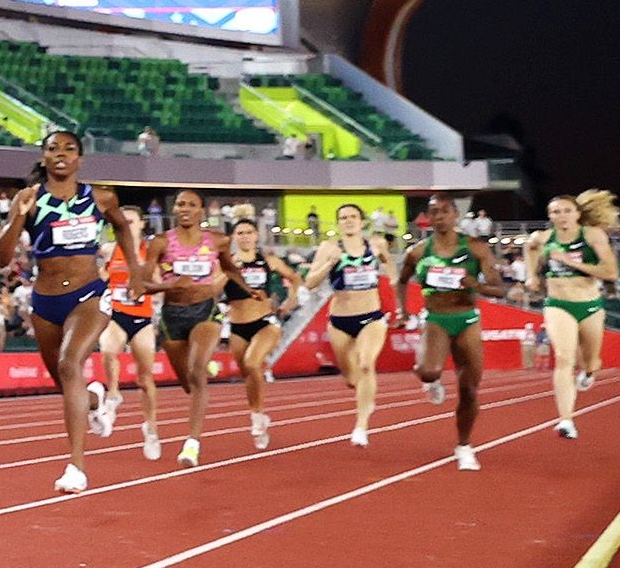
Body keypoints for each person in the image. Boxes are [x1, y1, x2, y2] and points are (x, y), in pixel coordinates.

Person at [0, 129, 123, 494]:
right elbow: (1, 259)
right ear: (44, 157)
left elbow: (124, 229)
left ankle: (76, 468)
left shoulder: (101, 197)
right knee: (67, 384)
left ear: (80, 158)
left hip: (89, 294)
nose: (61, 154)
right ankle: (95, 398)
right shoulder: (29, 198)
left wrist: (137, 273)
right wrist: (18, 218)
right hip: (46, 301)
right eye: (53, 148)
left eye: (69, 148)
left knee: (69, 364)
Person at [400, 194, 505, 470]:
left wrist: (476, 286)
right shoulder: (418, 252)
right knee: (427, 371)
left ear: (456, 215)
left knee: (469, 389)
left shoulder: (475, 247)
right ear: (428, 217)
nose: (439, 217)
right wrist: (403, 311)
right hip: (436, 318)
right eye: (434, 212)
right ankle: (432, 382)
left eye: (445, 211)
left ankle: (464, 446)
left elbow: (499, 289)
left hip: (467, 319)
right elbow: (402, 280)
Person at [133, 189, 228, 469]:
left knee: (197, 374)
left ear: (201, 211)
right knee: (188, 383)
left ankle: (192, 444)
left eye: (191, 204)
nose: (184, 209)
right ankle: (204, 365)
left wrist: (229, 287)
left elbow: (230, 270)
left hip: (205, 310)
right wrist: (169, 285)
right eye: (180, 204)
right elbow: (142, 285)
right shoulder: (160, 242)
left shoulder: (217, 240)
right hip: (172, 316)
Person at [523, 190, 620, 439]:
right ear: (549, 216)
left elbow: (610, 272)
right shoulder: (543, 238)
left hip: (589, 306)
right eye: (556, 212)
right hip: (558, 304)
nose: (562, 216)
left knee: (590, 363)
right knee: (564, 358)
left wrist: (570, 261)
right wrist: (531, 275)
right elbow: (530, 248)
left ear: (577, 214)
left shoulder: (592, 235)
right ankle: (566, 420)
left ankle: (588, 373)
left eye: (567, 210)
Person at [303, 202, 399, 448]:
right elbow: (310, 282)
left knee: (366, 364)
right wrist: (329, 264)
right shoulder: (328, 247)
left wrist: (390, 273)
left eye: (353, 216)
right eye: (343, 217)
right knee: (351, 378)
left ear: (362, 222)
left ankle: (361, 426)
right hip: (340, 321)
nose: (348, 221)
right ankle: (365, 397)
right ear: (338, 223)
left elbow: (392, 272)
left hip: (372, 317)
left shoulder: (376, 244)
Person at [215, 218, 300, 448]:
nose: (245, 236)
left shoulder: (268, 260)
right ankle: (258, 413)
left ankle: (256, 417)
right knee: (248, 375)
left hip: (265, 322)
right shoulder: (226, 264)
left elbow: (294, 277)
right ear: (234, 237)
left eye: (249, 232)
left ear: (256, 236)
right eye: (240, 233)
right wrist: (226, 271)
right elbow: (212, 289)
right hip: (237, 325)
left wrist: (290, 301)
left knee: (252, 363)